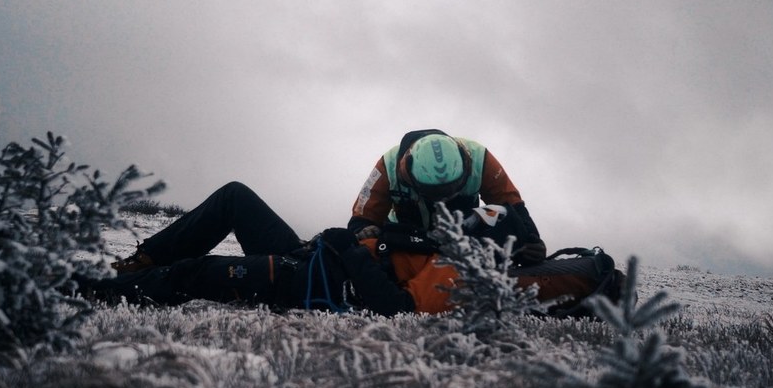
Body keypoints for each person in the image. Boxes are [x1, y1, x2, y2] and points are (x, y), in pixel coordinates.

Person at [91, 181, 456, 316]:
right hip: (307, 257)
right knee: (235, 197)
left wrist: (350, 249)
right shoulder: (433, 240)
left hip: (303, 284)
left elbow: (397, 309)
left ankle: (86, 290)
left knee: (194, 273)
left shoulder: (454, 271)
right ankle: (139, 263)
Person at [348, 129, 546, 264]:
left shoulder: (480, 157)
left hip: (466, 240)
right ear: (409, 176)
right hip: (409, 242)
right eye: (434, 193)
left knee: (502, 216)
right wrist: (366, 231)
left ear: (465, 165)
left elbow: (512, 204)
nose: (443, 200)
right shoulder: (387, 166)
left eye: (452, 189)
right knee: (366, 245)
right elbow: (361, 220)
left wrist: (531, 240)